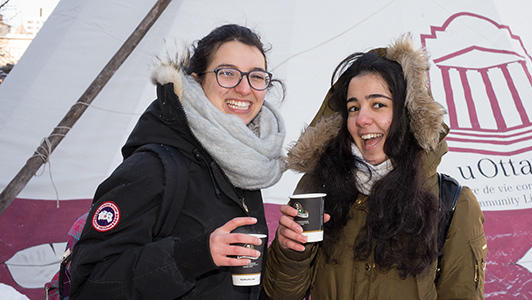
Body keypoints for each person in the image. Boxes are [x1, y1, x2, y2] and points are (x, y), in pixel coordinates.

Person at [69, 24, 286, 299]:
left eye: (256, 76)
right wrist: (192, 256)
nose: (244, 88)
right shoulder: (154, 168)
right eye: (227, 74)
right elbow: (91, 285)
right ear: (196, 80)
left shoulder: (244, 166)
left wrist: (287, 252)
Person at [263, 35, 487, 299]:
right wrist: (290, 251)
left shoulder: (452, 204)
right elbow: (279, 294)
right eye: (353, 108)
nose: (362, 119)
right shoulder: (319, 190)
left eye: (378, 104)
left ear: (406, 115)